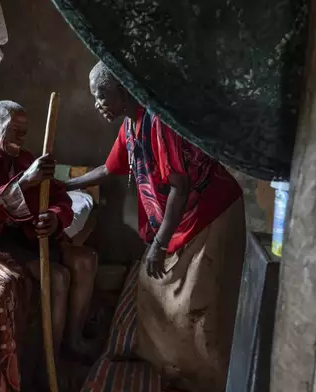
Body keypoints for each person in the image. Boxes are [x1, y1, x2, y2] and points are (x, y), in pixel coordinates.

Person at [65, 62, 246, 391]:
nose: (98, 103)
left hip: (210, 214)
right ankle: (174, 368)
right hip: (182, 219)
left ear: (124, 90)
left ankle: (207, 379)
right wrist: (67, 185)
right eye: (95, 97)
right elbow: (109, 169)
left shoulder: (159, 122)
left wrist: (160, 245)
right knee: (154, 289)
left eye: (102, 94)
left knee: (199, 301)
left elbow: (180, 188)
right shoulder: (132, 126)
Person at [0, 100, 98, 358]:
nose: (22, 138)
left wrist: (55, 218)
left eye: (25, 132)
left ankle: (74, 341)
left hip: (28, 237)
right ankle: (48, 364)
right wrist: (24, 182)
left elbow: (60, 197)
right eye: (15, 131)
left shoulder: (26, 158)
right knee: (57, 277)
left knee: (86, 260)